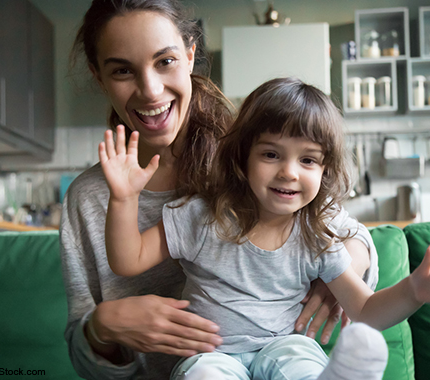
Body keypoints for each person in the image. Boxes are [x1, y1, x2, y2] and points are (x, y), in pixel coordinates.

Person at [60, 1, 377, 379]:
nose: (150, 89)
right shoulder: (90, 199)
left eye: (165, 61)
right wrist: (101, 326)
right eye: (123, 70)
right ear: (99, 77)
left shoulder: (250, 161)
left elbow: (345, 233)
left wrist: (339, 269)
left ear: (191, 55)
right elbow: (86, 363)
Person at [99, 77, 430, 380]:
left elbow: (366, 310)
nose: (288, 171)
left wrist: (414, 291)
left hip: (283, 347)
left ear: (324, 170)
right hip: (211, 355)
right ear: (242, 159)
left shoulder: (316, 235)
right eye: (271, 154)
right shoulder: (202, 216)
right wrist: (123, 197)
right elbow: (127, 260)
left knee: (299, 366)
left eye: (308, 160)